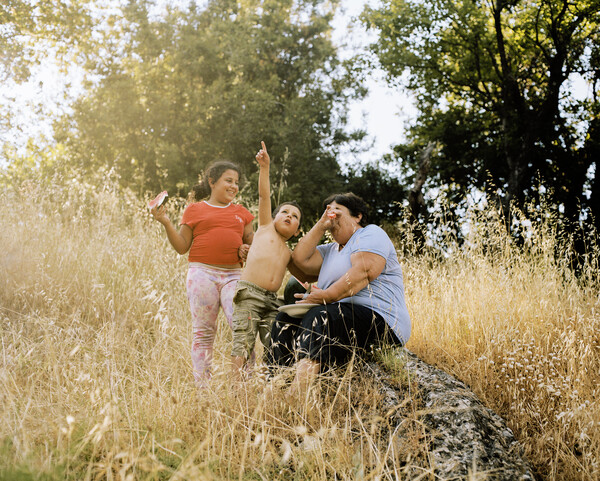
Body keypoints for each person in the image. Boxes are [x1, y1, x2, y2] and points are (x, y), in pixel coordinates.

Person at [270, 192, 411, 396]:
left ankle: (297, 395)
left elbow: (364, 271)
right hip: (342, 317)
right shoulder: (330, 250)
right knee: (284, 319)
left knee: (321, 315)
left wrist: (325, 296)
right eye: (327, 212)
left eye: (337, 211)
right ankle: (276, 386)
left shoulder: (370, 233)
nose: (331, 216)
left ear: (357, 216)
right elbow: (298, 261)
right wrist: (321, 225)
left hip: (382, 320)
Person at [151, 161, 254, 387]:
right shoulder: (194, 210)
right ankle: (203, 390)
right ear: (211, 182)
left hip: (233, 277)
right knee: (204, 333)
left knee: (243, 327)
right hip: (202, 274)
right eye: (228, 180)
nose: (234, 186)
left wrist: (247, 250)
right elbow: (181, 247)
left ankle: (245, 386)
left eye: (236, 182)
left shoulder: (242, 213)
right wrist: (166, 222)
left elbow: (253, 246)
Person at [231, 141, 305, 377]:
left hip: (272, 301)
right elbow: (264, 195)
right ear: (273, 217)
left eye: (294, 217)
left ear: (296, 231)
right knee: (243, 341)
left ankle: (271, 382)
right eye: (284, 212)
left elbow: (304, 273)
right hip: (250, 294)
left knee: (277, 343)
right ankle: (235, 388)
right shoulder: (264, 229)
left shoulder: (289, 253)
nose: (289, 216)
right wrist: (264, 168)